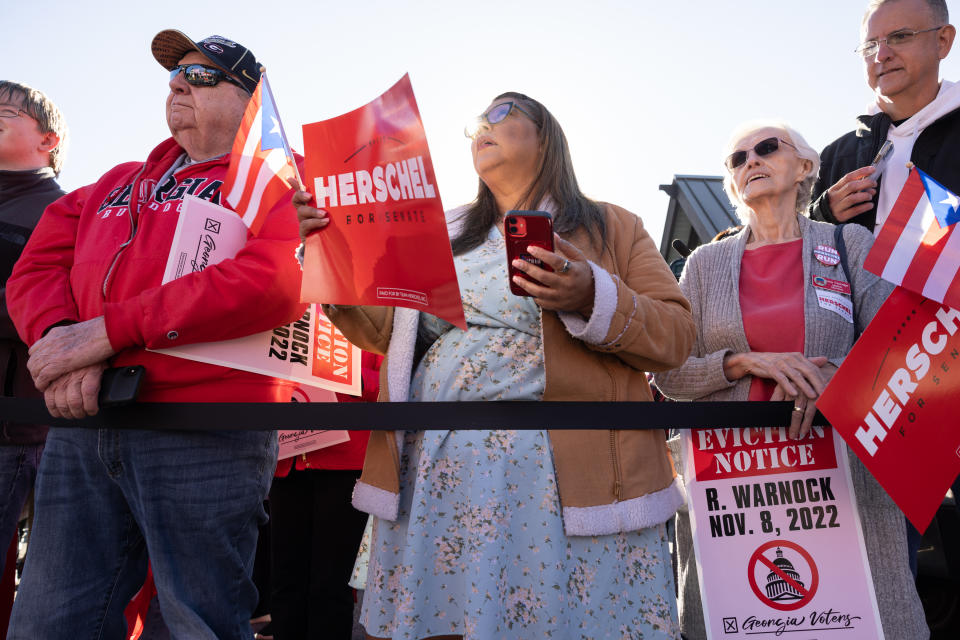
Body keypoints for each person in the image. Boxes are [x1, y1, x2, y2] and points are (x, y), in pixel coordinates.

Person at [294, 92, 695, 639]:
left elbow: (676, 335)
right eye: (476, 122)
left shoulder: (611, 227)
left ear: (546, 137)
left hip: (557, 478)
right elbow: (385, 336)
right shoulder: (439, 233)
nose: (482, 125)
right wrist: (325, 258)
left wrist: (590, 295)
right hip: (439, 470)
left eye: (503, 113)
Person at [5, 30, 305, 639]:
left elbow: (273, 280)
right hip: (84, 420)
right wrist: (68, 346)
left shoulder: (278, 179)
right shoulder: (111, 183)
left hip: (203, 429)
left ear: (251, 101)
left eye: (201, 77)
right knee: (47, 621)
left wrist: (106, 333)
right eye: (174, 76)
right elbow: (33, 271)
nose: (176, 85)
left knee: (198, 622)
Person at [654, 121, 928, 639]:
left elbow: (904, 345)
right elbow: (669, 373)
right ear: (732, 185)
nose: (750, 162)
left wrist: (838, 379)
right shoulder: (704, 264)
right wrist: (744, 362)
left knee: (860, 619)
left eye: (765, 148)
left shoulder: (849, 243)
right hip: (734, 490)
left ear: (805, 167)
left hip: (838, 479)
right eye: (737, 160)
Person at [0, 81, 66, 625]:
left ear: (49, 139)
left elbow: (49, 308)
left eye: (4, 113)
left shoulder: (64, 211)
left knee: (49, 581)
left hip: (22, 425)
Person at [810, 0, 959, 232]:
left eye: (900, 37)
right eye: (870, 45)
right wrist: (822, 213)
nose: (881, 55)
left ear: (943, 41)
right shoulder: (834, 158)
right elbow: (796, 256)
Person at [267, 351, 382, 640]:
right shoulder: (285, 312)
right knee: (285, 578)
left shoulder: (371, 316)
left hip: (344, 459)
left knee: (331, 582)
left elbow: (391, 383)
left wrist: (345, 376)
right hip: (287, 457)